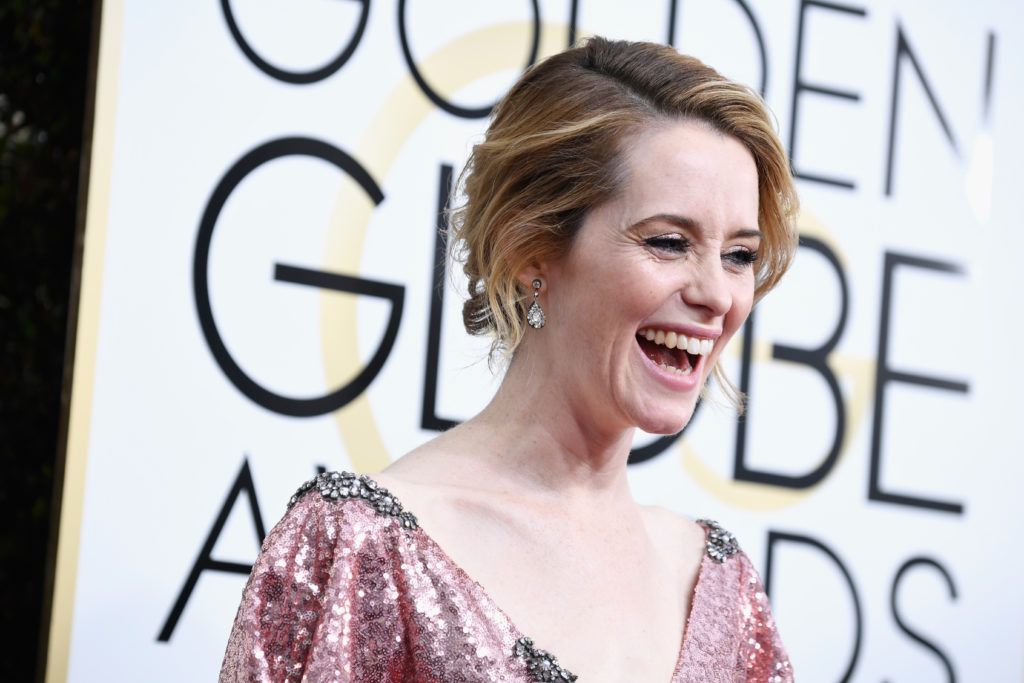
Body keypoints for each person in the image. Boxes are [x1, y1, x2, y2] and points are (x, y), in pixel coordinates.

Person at [220, 36, 798, 683]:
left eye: (740, 255)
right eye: (668, 242)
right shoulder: (360, 549)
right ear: (530, 249)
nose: (717, 293)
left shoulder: (721, 586)